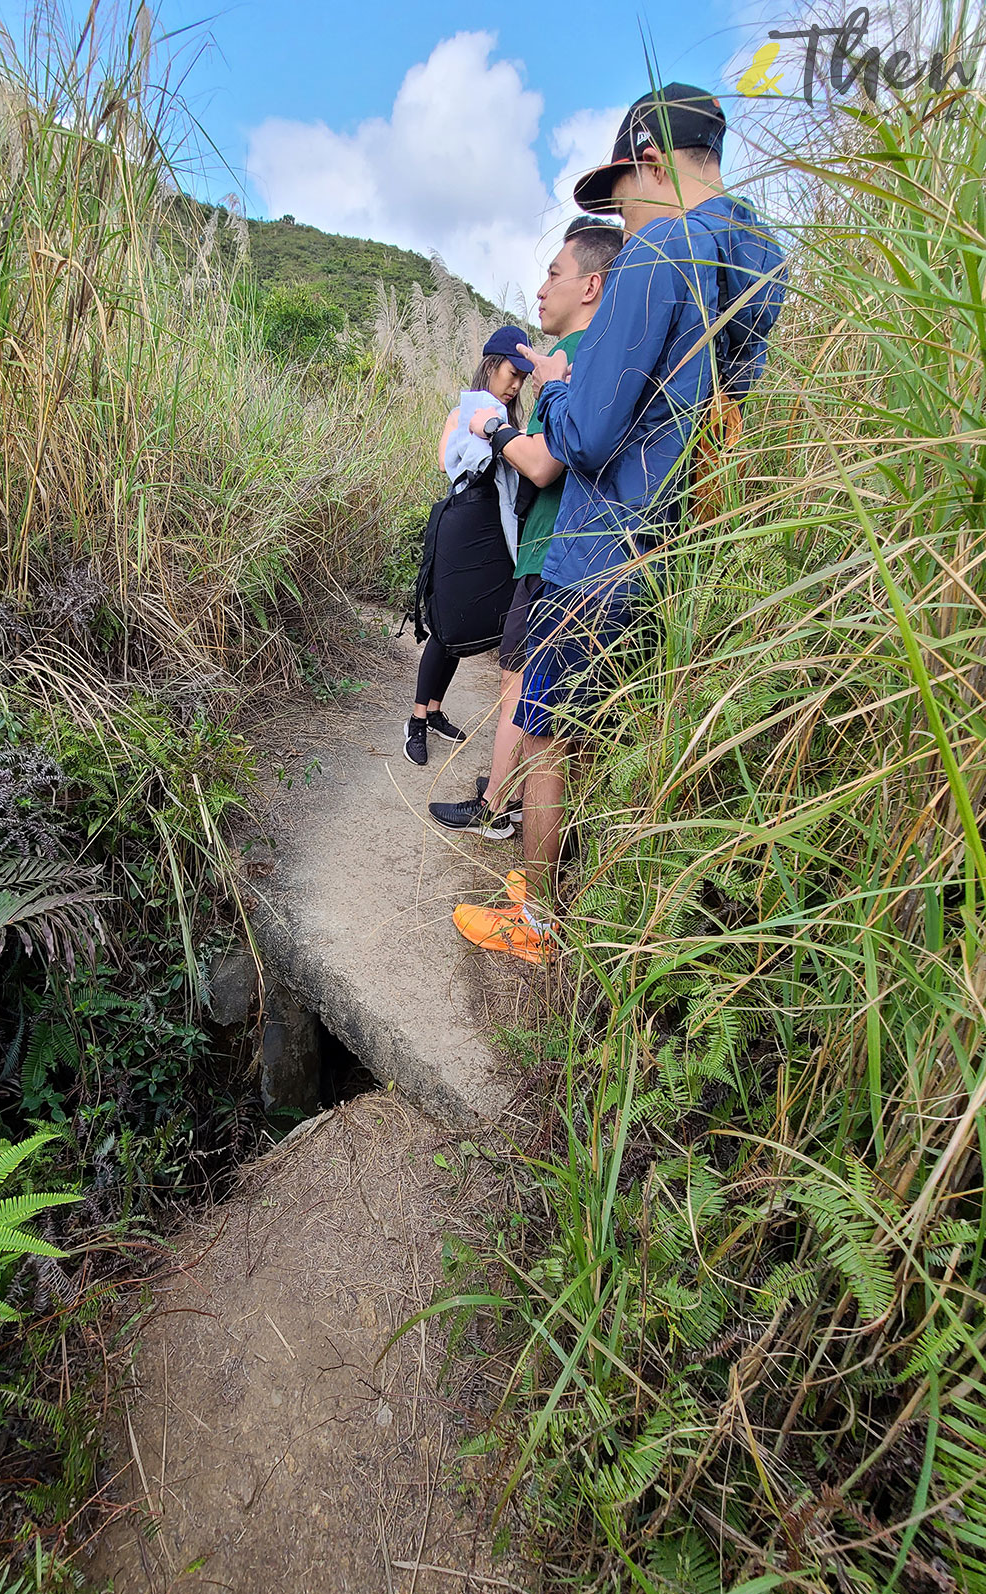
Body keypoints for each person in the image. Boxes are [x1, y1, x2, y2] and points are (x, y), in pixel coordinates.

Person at [452, 82, 787, 962]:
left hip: (603, 542)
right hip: (686, 548)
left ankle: (535, 924)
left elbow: (594, 432)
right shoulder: (763, 255)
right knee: (617, 733)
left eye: (621, 195)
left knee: (555, 734)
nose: (623, 216)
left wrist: (555, 389)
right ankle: (601, 913)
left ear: (647, 158)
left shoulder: (659, 245)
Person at [426, 219, 624, 837]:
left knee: (528, 690)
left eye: (553, 274)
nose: (541, 288)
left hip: (558, 553)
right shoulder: (575, 359)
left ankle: (498, 810)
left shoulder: (576, 359)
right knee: (526, 684)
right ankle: (498, 798)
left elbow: (542, 464)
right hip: (551, 550)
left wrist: (496, 432)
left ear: (591, 285)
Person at [404, 327, 532, 767]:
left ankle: (435, 710)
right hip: (462, 525)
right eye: (512, 374)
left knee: (459, 626)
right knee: (446, 627)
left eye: (522, 380)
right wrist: (481, 429)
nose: (515, 385)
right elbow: (450, 464)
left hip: (484, 526)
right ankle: (416, 720)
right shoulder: (476, 412)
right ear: (491, 364)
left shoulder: (493, 418)